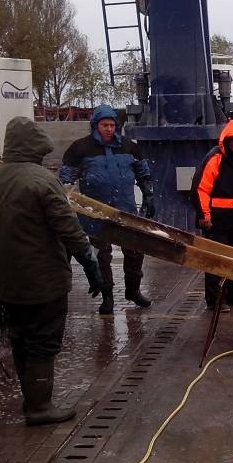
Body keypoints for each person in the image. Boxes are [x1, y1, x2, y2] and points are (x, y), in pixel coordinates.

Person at [0, 117, 104, 426]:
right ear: (35, 148)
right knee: (44, 341)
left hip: (8, 281)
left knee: (21, 339)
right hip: (44, 281)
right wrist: (90, 263)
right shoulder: (43, 181)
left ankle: (31, 399)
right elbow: (69, 229)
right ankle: (40, 407)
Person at [59, 105, 154, 315]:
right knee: (101, 256)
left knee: (135, 252)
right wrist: (67, 198)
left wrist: (148, 194)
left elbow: (142, 171)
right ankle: (107, 296)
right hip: (95, 214)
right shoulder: (80, 148)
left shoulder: (129, 147)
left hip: (126, 211)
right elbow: (66, 178)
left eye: (112, 125)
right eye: (104, 125)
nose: (109, 129)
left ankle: (133, 291)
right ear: (96, 126)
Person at [191, 119, 233, 309]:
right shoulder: (215, 159)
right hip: (217, 221)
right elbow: (201, 189)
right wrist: (205, 215)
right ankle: (214, 301)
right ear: (226, 140)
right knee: (216, 261)